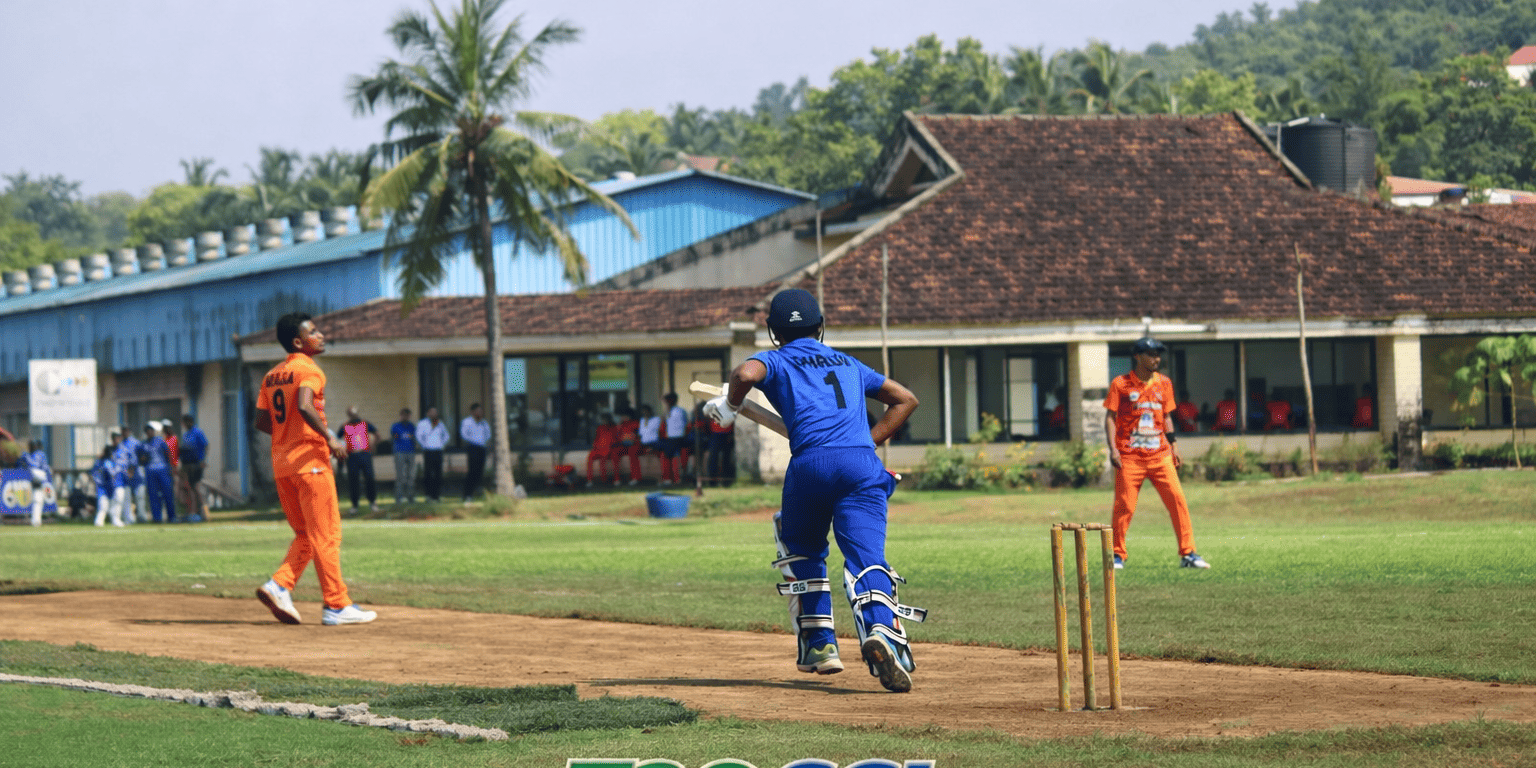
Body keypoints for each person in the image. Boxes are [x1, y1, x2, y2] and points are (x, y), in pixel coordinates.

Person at [704, 288, 925, 693]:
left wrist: (730, 406)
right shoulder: (849, 363)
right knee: (867, 557)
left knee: (802, 548)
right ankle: (882, 631)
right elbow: (906, 400)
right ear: (820, 326)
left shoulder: (775, 359)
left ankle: (821, 645)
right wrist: (865, 442)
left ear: (773, 331)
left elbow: (744, 375)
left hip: (810, 465)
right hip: (861, 466)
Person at [254, 311, 376, 626]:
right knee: (327, 534)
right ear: (298, 342)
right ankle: (336, 605)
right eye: (313, 332)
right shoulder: (309, 369)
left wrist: (288, 435)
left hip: (283, 466)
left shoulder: (271, 376)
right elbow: (304, 404)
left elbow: (261, 421)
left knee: (306, 535)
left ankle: (279, 585)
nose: (320, 335)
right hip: (311, 464)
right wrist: (331, 438)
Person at [1104, 336, 1210, 571]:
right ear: (1137, 357)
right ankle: (1117, 555)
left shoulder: (1164, 383)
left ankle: (1188, 554)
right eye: (1151, 355)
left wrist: (1174, 445)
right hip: (1130, 457)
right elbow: (1110, 418)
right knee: (1124, 506)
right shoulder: (1120, 384)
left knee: (1178, 501)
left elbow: (1167, 416)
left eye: (1158, 355)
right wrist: (1113, 449)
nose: (1156, 359)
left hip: (1160, 456)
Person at [338, 406, 379, 515]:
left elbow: (377, 434)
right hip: (352, 456)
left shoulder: (365, 423)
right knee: (353, 480)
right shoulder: (345, 426)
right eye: (351, 414)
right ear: (348, 414)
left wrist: (373, 447)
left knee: (369, 477)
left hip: (365, 454)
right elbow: (337, 438)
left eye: (355, 413)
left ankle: (372, 502)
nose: (353, 415)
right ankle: (355, 505)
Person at [140, 422, 177, 523]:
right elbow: (141, 459)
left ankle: (172, 517)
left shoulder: (160, 441)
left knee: (168, 493)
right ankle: (157, 517)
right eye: (148, 431)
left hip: (162, 470)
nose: (150, 433)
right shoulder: (143, 444)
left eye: (151, 431)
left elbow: (167, 454)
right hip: (150, 471)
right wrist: (143, 459)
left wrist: (170, 467)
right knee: (153, 495)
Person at [178, 414, 209, 521]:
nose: (184, 425)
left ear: (190, 422)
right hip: (187, 465)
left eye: (185, 422)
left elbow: (205, 446)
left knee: (196, 488)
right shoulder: (186, 435)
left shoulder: (198, 432)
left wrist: (203, 461)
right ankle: (193, 512)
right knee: (189, 488)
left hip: (197, 464)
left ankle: (203, 512)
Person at [416, 407, 449, 502]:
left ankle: (436, 495)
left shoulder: (440, 423)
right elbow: (419, 436)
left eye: (435, 412)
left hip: (438, 450)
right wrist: (425, 445)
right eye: (432, 412)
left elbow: (446, 436)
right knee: (428, 473)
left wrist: (441, 444)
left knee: (438, 473)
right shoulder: (422, 423)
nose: (434, 414)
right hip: (428, 451)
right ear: (427, 413)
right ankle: (428, 495)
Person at [459, 403, 490, 503]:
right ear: (472, 412)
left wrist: (483, 442)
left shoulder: (484, 423)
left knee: (480, 471)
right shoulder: (467, 422)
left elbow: (488, 435)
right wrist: (474, 441)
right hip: (472, 447)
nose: (480, 413)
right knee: (472, 471)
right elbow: (464, 434)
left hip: (482, 448)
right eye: (478, 411)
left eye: (481, 411)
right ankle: (467, 494)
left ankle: (478, 493)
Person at [19, 439, 54, 527]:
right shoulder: (34, 454)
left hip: (38, 476)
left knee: (38, 498)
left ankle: (36, 521)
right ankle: (36, 521)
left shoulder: (35, 454)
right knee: (38, 498)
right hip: (37, 476)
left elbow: (34, 465)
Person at [116, 425, 147, 523]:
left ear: (129, 431)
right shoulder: (121, 444)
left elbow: (141, 456)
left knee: (140, 496)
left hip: (136, 473)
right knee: (127, 497)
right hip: (125, 475)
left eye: (126, 430)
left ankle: (141, 517)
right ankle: (129, 518)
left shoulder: (135, 442)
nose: (124, 432)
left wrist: (133, 469)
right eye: (123, 430)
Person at [390, 408, 419, 504]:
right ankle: (399, 497)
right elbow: (393, 438)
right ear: (401, 415)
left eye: (407, 415)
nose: (406, 417)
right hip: (399, 452)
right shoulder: (395, 426)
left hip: (410, 452)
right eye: (404, 415)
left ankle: (411, 497)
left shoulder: (412, 426)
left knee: (411, 475)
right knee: (400, 475)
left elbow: (414, 438)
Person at [91, 444, 124, 527]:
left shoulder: (106, 461)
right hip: (104, 486)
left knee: (112, 503)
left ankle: (114, 520)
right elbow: (110, 473)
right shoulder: (104, 462)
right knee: (103, 505)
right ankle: (100, 521)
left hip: (109, 486)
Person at [659, 393, 688, 486]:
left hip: (675, 437)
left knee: (667, 456)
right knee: (674, 456)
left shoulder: (674, 411)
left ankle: (669, 478)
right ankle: (676, 478)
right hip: (677, 437)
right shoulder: (680, 411)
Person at [585, 412, 618, 487]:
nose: (603, 421)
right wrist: (595, 446)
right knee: (590, 458)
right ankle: (589, 480)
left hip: (607, 449)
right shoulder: (600, 428)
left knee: (602, 460)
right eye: (603, 420)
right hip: (598, 449)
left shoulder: (613, 428)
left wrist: (608, 447)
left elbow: (614, 440)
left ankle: (604, 480)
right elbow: (596, 439)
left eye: (605, 419)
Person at [613, 408, 643, 486]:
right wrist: (618, 426)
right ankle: (617, 479)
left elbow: (639, 436)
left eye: (624, 416)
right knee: (615, 453)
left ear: (629, 416)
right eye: (622, 416)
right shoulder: (621, 425)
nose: (623, 417)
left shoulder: (636, 423)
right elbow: (617, 437)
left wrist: (634, 440)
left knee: (632, 453)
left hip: (635, 445)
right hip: (623, 446)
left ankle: (635, 478)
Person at [705, 411, 735, 487]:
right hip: (715, 433)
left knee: (726, 458)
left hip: (727, 433)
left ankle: (726, 481)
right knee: (713, 458)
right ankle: (712, 481)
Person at [637, 404, 662, 483]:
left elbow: (656, 430)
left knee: (658, 455)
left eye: (646, 411)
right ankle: (638, 478)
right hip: (644, 443)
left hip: (654, 442)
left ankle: (660, 478)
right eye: (643, 412)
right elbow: (641, 433)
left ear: (650, 411)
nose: (645, 413)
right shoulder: (642, 420)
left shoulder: (656, 419)